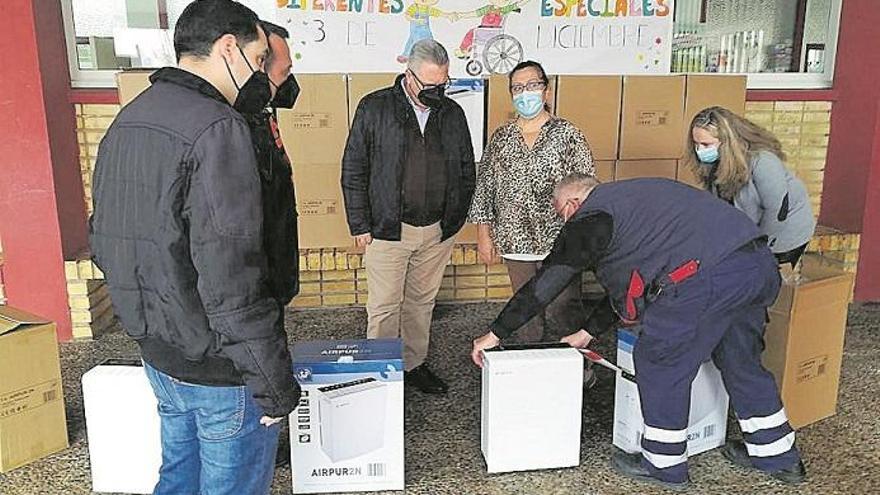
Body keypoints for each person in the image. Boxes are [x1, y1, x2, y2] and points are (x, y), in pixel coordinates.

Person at [471, 174, 806, 490]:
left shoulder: (591, 218)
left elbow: (548, 282)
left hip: (706, 279)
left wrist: (496, 333)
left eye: (561, 215)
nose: (563, 222)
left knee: (660, 361)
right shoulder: (638, 204)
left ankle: (664, 464)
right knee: (740, 360)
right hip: (756, 265)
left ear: (572, 204)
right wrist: (589, 330)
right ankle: (777, 455)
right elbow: (631, 286)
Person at [89, 2, 299, 493]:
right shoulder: (217, 127)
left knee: (178, 476)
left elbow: (105, 239)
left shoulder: (131, 116)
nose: (261, 70)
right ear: (230, 47)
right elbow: (231, 273)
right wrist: (271, 383)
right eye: (258, 54)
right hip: (219, 365)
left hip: (159, 350)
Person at [342, 39, 476, 395]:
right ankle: (379, 373)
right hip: (388, 229)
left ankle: (414, 364)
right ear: (409, 75)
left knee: (421, 303)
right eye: (430, 85)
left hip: (436, 229)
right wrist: (360, 223)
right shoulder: (374, 108)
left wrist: (454, 221)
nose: (437, 91)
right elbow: (354, 168)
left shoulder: (452, 113)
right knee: (384, 307)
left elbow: (466, 169)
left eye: (443, 84)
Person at [468, 60, 595, 345]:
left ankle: (576, 371)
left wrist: (584, 237)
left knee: (564, 308)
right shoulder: (501, 138)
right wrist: (483, 235)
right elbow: (485, 187)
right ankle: (531, 367)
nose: (526, 93)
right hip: (515, 240)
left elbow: (587, 187)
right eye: (518, 88)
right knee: (524, 310)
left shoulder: (568, 134)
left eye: (533, 85)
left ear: (546, 91)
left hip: (560, 241)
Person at [242, 20, 302, 469]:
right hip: (250, 270)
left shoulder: (264, 110)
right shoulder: (234, 123)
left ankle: (269, 420)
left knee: (271, 340)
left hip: (273, 262)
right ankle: (257, 424)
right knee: (255, 346)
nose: (288, 70)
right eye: (277, 61)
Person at [687, 106, 816, 269]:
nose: (700, 150)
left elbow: (778, 210)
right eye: (696, 144)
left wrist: (759, 247)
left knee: (764, 279)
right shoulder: (714, 163)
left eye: (706, 144)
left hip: (784, 231)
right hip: (750, 227)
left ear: (728, 142)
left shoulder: (763, 161)